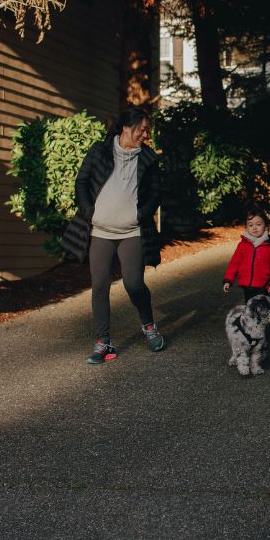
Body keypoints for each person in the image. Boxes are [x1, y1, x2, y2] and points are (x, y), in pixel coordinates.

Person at [60, 107, 166, 364]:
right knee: (99, 286)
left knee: (134, 283)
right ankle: (103, 342)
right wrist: (88, 209)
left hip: (132, 231)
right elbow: (81, 181)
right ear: (126, 127)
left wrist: (141, 215)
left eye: (148, 131)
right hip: (100, 232)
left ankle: (149, 325)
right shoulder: (100, 151)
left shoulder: (148, 158)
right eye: (142, 129)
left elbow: (156, 192)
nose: (146, 135)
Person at [222, 209, 270, 302]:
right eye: (250, 225)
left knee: (263, 307)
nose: (254, 228)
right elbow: (234, 263)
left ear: (266, 226)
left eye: (258, 224)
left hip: (264, 285)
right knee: (250, 307)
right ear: (246, 227)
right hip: (247, 286)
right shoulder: (243, 245)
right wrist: (228, 280)